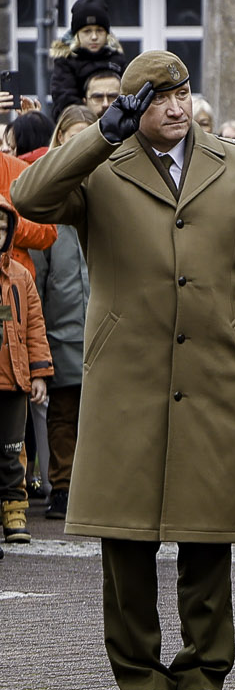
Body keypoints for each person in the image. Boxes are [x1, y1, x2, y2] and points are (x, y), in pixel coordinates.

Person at [14, 52, 235, 690]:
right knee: (126, 539)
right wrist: (101, 133)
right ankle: (142, 678)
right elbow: (28, 198)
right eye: (156, 96)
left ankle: (202, 675)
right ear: (133, 105)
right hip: (126, 382)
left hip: (214, 376)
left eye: (181, 92)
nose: (172, 105)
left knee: (207, 537)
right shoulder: (101, 167)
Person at [29, 124, 86, 522]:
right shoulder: (54, 211)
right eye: (72, 136)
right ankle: (62, 486)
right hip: (61, 331)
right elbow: (40, 279)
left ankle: (97, 485)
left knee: (102, 415)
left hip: (104, 332)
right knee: (63, 415)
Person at [0, 197, 51, 545]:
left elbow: (35, 327)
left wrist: (38, 374)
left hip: (13, 379)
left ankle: (15, 507)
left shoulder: (21, 277)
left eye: (4, 228)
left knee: (12, 447)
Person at [47, 0, 125, 115]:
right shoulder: (66, 62)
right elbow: (64, 98)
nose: (94, 37)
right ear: (77, 35)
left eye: (99, 30)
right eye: (87, 31)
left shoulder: (117, 60)